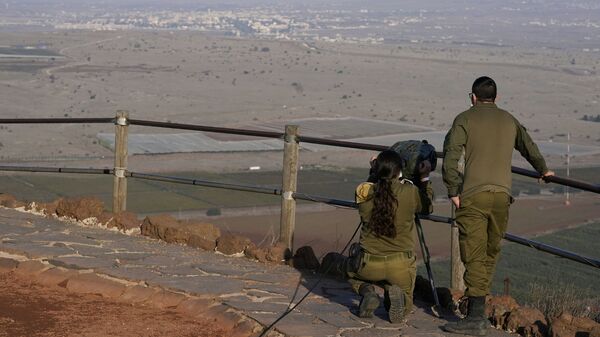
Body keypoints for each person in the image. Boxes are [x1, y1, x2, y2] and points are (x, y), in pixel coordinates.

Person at [442, 76, 554, 335]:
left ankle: (475, 317)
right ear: (496, 98)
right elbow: (528, 146)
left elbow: (450, 156)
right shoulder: (508, 119)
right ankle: (478, 308)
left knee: (473, 253)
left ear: (472, 97)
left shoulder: (464, 119)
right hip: (502, 198)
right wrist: (543, 169)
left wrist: (452, 190)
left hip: (473, 196)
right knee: (491, 250)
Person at [348, 150, 433, 323]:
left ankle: (368, 291)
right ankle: (393, 296)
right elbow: (427, 206)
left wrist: (373, 172)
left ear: (377, 169)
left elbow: (368, 189)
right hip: (400, 265)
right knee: (405, 303)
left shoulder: (364, 191)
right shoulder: (410, 192)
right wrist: (424, 177)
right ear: (399, 171)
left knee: (352, 274)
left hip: (368, 263)